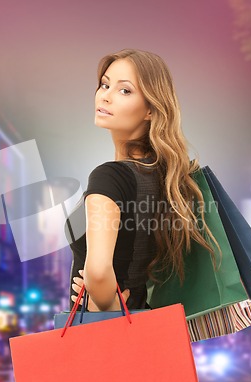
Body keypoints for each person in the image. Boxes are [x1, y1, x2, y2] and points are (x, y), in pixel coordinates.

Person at [65, 49, 219, 312]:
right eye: (105, 84)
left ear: (150, 109)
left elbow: (99, 272)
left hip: (104, 335)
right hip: (144, 327)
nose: (106, 95)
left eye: (124, 91)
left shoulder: (110, 177)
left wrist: (106, 303)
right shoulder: (165, 177)